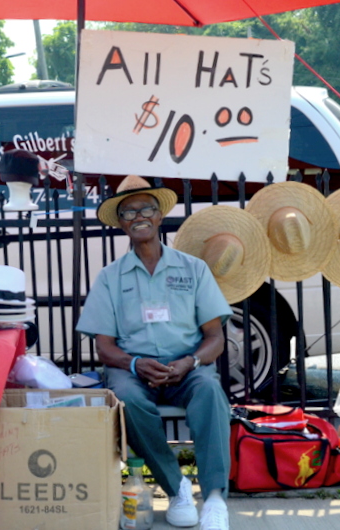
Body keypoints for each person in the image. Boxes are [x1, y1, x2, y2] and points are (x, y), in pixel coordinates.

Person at [76, 175, 232, 530]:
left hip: (187, 367)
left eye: (146, 208)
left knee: (210, 391)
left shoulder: (194, 269)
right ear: (121, 223)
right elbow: (104, 347)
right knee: (125, 398)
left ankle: (214, 499)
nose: (139, 216)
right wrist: (134, 363)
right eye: (129, 211)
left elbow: (215, 338)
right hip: (132, 369)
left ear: (160, 215)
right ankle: (176, 487)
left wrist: (189, 362)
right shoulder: (110, 278)